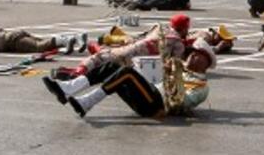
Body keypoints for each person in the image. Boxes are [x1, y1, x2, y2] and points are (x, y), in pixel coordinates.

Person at [61, 37, 216, 119]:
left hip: (158, 106)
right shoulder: (181, 68)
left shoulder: (202, 87)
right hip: (149, 96)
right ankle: (71, 87)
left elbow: (178, 103)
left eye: (197, 55)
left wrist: (171, 77)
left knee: (127, 72)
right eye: (192, 53)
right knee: (113, 67)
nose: (191, 56)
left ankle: (87, 102)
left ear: (206, 63)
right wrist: (168, 71)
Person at [43, 15, 189, 100]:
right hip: (141, 63)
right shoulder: (177, 42)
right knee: (105, 61)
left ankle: (72, 79)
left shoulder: (160, 28)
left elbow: (142, 37)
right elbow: (176, 63)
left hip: (134, 50)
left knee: (102, 59)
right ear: (183, 28)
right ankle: (72, 80)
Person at [0, 21, 86, 54]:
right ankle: (73, 38)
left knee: (38, 47)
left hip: (10, 41)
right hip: (13, 35)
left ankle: (65, 40)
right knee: (42, 42)